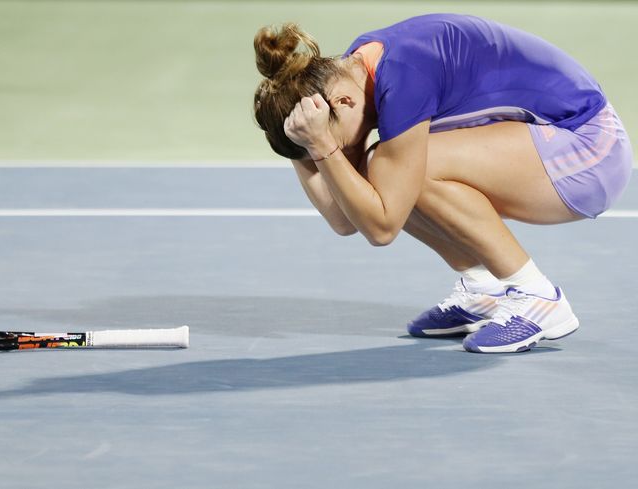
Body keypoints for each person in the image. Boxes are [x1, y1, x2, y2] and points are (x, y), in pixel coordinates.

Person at [252, 14, 632, 353]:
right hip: (555, 150)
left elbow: (381, 228)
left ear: (343, 103)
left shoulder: (403, 76)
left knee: (406, 166)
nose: (337, 149)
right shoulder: (353, 78)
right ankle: (483, 288)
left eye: (333, 138)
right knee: (385, 166)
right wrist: (304, 146)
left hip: (592, 151)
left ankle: (538, 296)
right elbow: (345, 218)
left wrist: (321, 146)